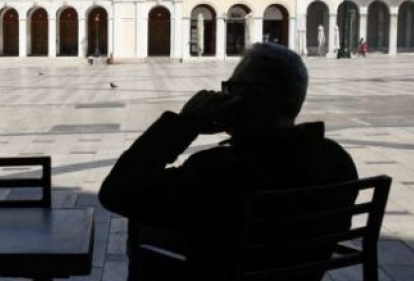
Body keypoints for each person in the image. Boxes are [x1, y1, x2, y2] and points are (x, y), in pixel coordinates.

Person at [99, 43, 358, 280]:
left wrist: (184, 125)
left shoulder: (218, 171)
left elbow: (117, 191)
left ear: (251, 97)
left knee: (143, 226)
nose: (224, 97)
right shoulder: (336, 161)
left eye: (230, 88)